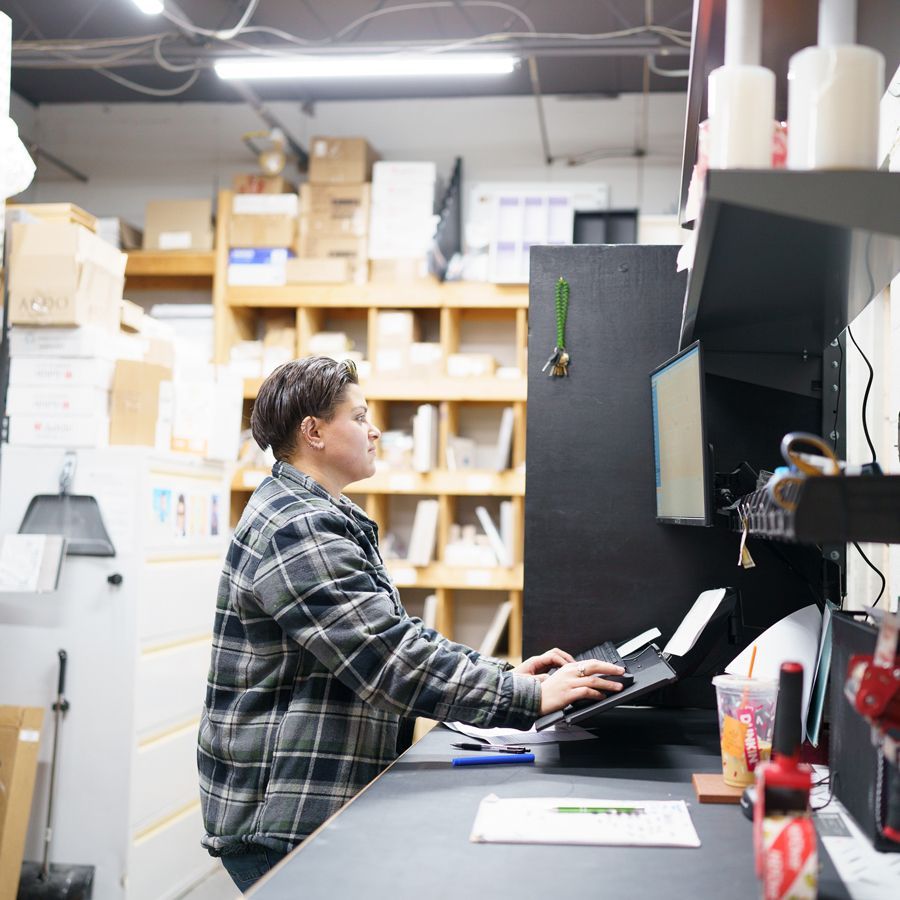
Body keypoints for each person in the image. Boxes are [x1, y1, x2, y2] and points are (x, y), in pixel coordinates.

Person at [197, 356, 625, 892]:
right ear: (313, 432)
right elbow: (390, 661)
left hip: (303, 806)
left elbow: (397, 634)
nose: (374, 430)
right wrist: (525, 697)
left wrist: (510, 675)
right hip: (283, 820)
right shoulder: (298, 528)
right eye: (358, 417)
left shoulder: (313, 513)